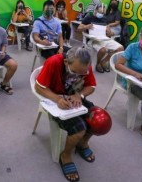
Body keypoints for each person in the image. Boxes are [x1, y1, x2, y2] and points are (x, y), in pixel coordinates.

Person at [35, 47, 97, 182]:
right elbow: (38, 86)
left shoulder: (85, 65)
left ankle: (82, 144)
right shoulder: (54, 62)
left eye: (83, 73)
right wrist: (57, 99)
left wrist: (79, 95)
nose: (79, 76)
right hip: (54, 98)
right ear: (66, 62)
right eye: (75, 72)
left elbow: (91, 86)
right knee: (79, 129)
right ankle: (66, 155)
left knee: (97, 120)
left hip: (73, 95)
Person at [77, 4, 123, 73]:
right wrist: (86, 27)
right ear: (95, 11)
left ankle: (104, 61)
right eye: (99, 12)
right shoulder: (89, 17)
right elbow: (78, 29)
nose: (101, 14)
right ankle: (98, 63)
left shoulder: (104, 18)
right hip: (93, 40)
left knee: (120, 48)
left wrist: (109, 32)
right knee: (103, 50)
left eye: (102, 13)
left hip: (104, 39)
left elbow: (108, 32)